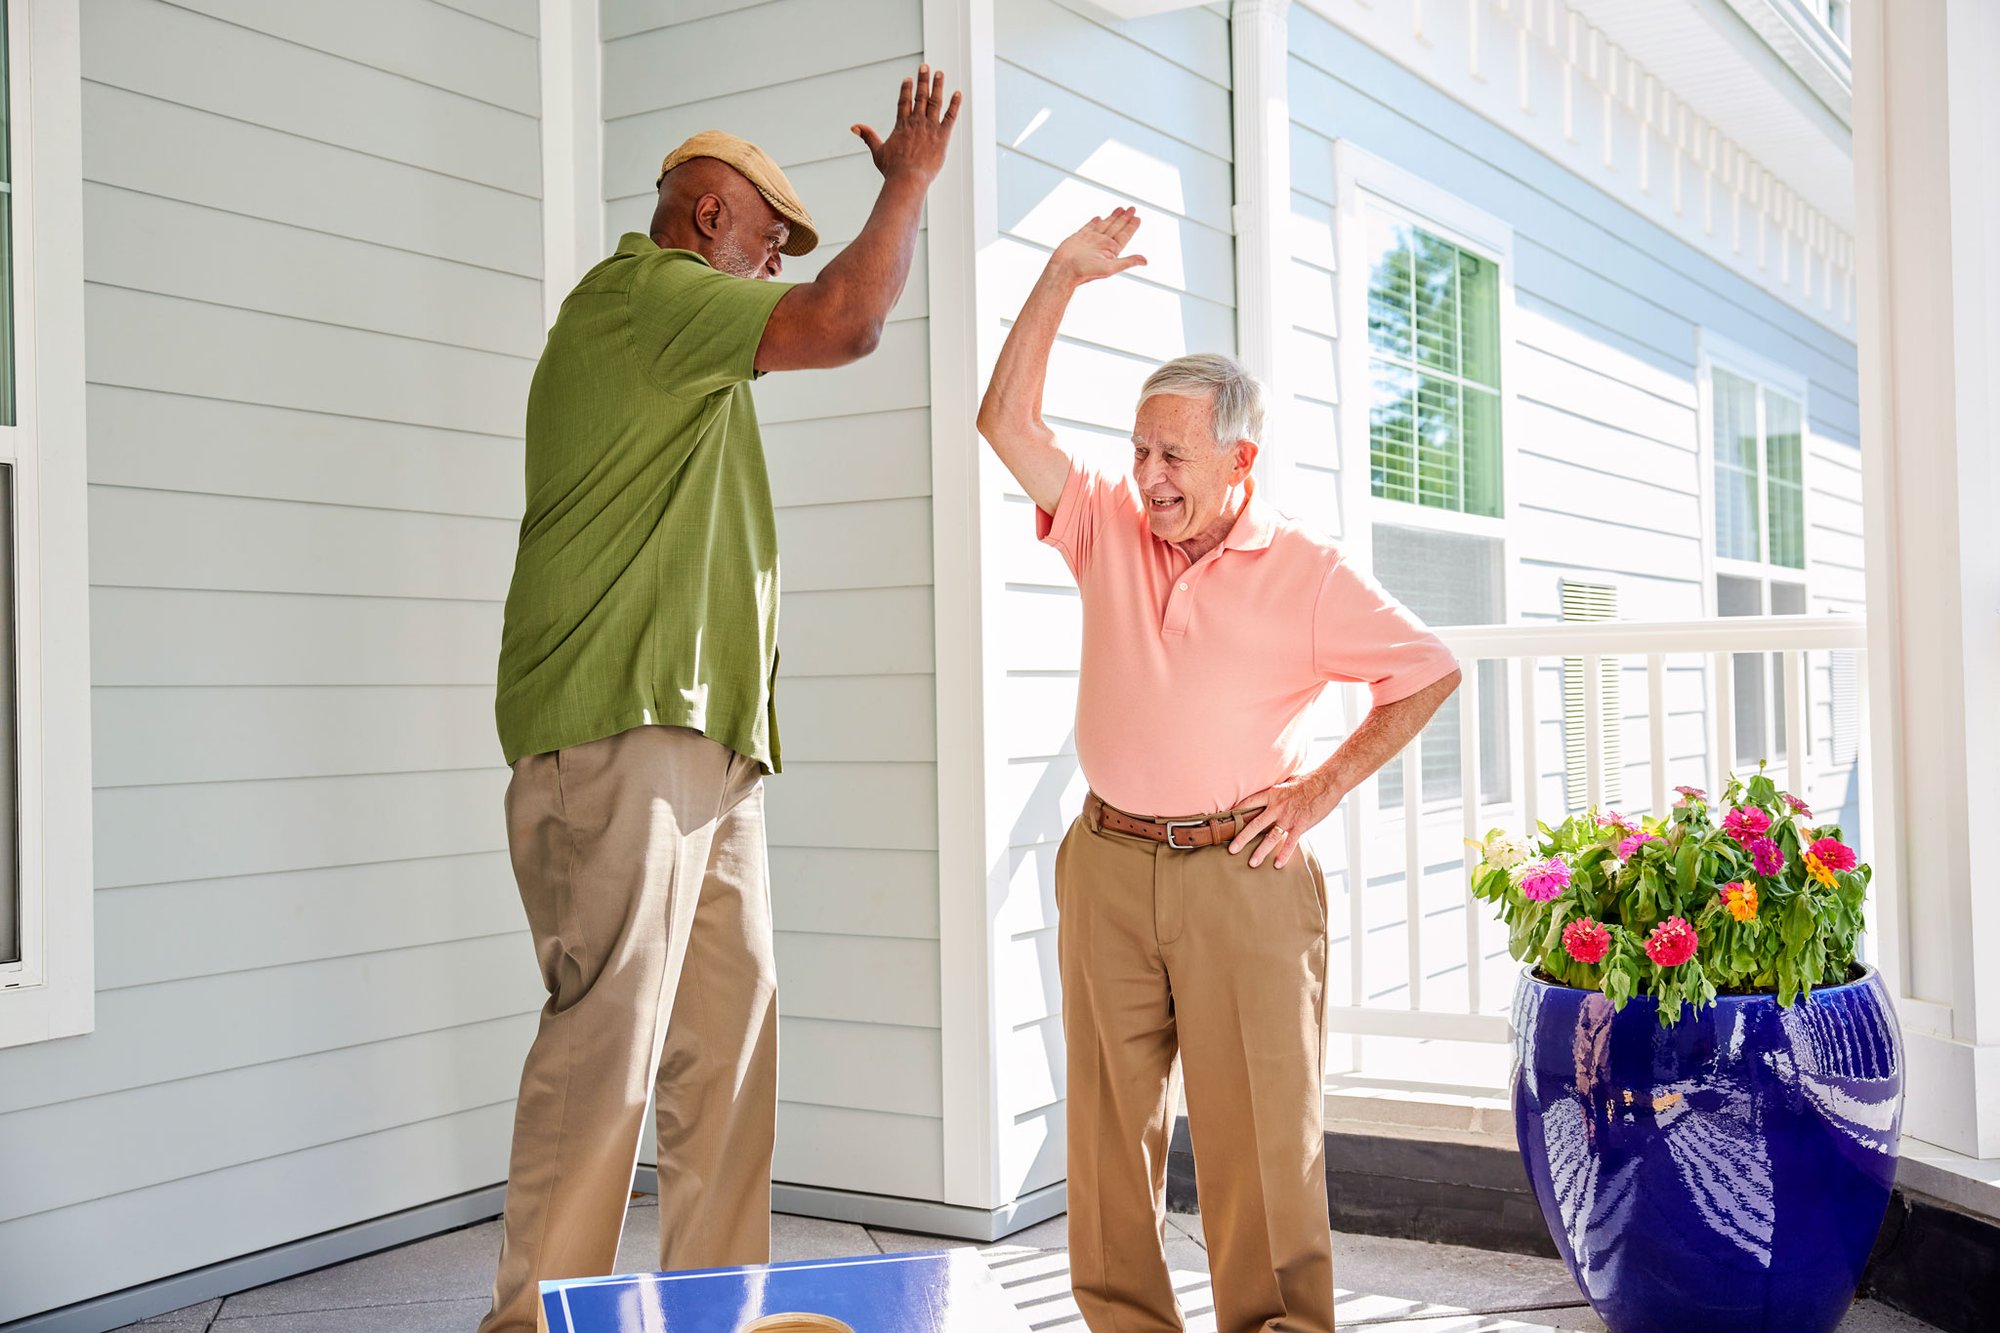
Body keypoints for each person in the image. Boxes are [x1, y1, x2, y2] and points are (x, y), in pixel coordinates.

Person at [478, 69, 961, 1333]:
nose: (769, 269)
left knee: (729, 1050)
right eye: (765, 241)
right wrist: (907, 182)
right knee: (608, 1054)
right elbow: (848, 319)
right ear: (703, 220)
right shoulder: (638, 302)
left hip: (711, 746)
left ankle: (715, 1314)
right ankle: (534, 1324)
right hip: (620, 730)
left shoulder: (695, 373)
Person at [976, 209, 1462, 1332]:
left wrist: (1318, 788)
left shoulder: (1304, 572)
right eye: (1139, 451)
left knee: (1258, 1142)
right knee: (1104, 1136)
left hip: (1241, 878)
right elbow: (1005, 419)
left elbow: (1425, 671)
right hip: (1105, 864)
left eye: (1171, 457)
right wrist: (1058, 276)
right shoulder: (1101, 520)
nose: (1145, 477)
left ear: (1240, 460)